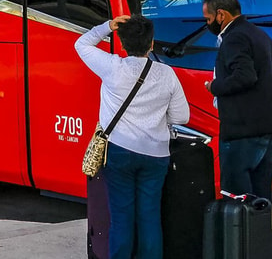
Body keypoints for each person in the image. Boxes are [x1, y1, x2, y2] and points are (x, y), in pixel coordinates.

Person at [76, 14, 190, 259]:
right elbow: (182, 116)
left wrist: (107, 26)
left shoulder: (112, 66)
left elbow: (81, 44)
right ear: (151, 44)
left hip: (119, 153)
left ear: (122, 44)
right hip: (156, 154)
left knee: (121, 218)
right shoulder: (167, 73)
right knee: (149, 217)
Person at [203, 0, 272, 259]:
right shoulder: (258, 34)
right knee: (259, 200)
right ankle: (262, 252)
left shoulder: (234, 37)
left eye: (207, 18)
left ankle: (259, 252)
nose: (206, 23)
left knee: (238, 199)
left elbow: (245, 76)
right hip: (268, 127)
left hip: (243, 131)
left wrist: (214, 86)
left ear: (221, 15)